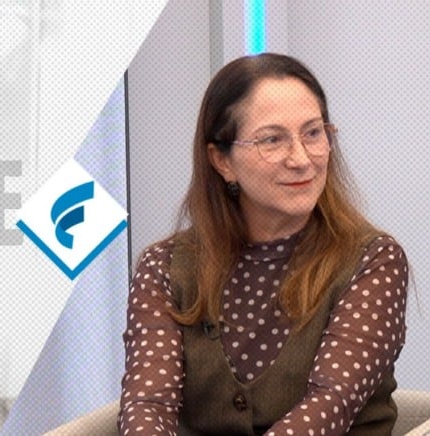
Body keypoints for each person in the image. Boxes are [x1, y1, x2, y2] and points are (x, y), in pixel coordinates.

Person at [118, 53, 409, 435]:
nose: (301, 159)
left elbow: (330, 404)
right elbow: (148, 405)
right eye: (272, 139)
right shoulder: (163, 267)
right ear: (222, 161)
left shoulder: (373, 260)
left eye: (313, 133)